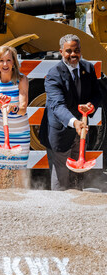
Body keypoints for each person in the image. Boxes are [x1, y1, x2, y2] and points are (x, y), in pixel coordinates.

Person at [39, 34, 101, 190]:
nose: (73, 54)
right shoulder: (54, 74)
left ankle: (77, 211)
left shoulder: (88, 68)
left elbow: (96, 94)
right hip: (60, 133)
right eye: (69, 51)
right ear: (61, 52)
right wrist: (75, 123)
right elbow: (57, 105)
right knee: (61, 180)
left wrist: (91, 105)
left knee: (78, 179)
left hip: (80, 134)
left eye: (77, 50)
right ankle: (59, 211)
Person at [0, 46, 30, 189]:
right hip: (0, 133)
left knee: (19, 171)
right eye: (1, 61)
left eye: (8, 60)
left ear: (13, 62)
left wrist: (12, 107)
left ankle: (20, 203)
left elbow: (23, 109)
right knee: (1, 171)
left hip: (20, 133)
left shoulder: (21, 80)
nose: (5, 64)